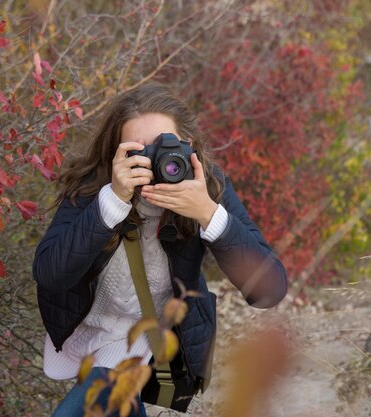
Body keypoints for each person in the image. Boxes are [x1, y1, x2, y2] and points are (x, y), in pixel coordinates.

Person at [32, 83, 288, 417]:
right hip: (88, 329)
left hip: (144, 334)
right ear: (117, 152)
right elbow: (49, 273)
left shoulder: (209, 187)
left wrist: (208, 214)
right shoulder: (96, 185)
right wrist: (111, 202)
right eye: (140, 150)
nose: (156, 161)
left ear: (189, 146)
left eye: (165, 146)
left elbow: (270, 291)